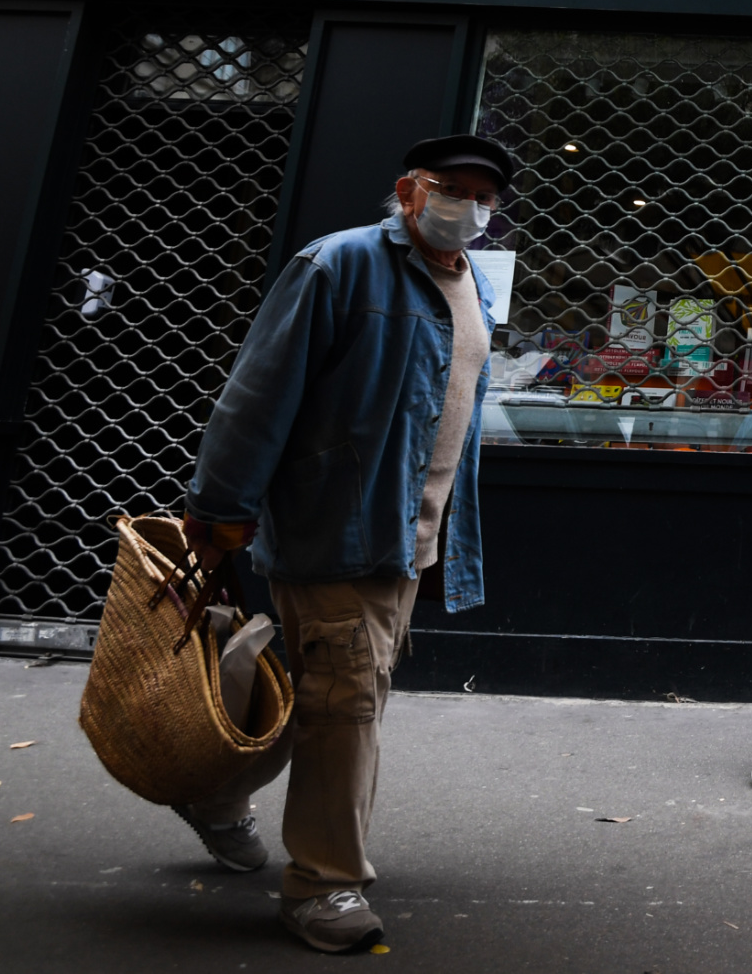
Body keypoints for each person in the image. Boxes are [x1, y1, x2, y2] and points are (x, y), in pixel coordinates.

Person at [175, 134, 510, 952]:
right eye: (449, 187)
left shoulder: (470, 286)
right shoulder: (339, 265)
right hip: (338, 524)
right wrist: (221, 512)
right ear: (407, 190)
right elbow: (258, 395)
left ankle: (215, 796)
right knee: (348, 703)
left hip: (410, 536)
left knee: (325, 692)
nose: (467, 206)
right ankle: (324, 884)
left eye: (483, 195)